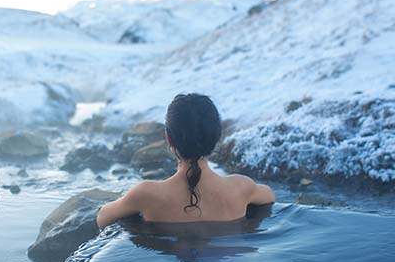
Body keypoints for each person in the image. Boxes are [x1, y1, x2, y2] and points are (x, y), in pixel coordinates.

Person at [97, 93, 275, 229]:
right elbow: (269, 195)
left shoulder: (147, 194)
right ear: (217, 137)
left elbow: (103, 218)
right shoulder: (241, 187)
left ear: (168, 138)